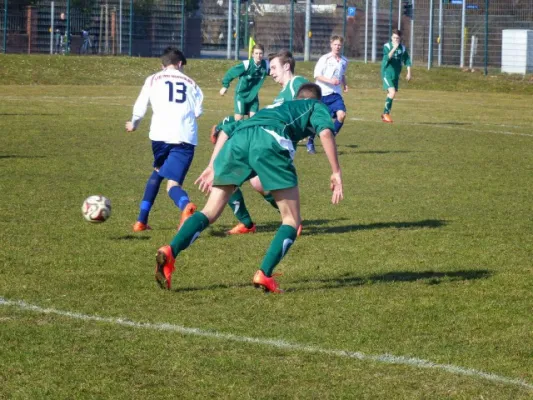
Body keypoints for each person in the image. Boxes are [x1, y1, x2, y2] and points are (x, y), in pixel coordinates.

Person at [154, 83, 344, 293]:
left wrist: (212, 164)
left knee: (209, 211)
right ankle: (264, 274)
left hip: (238, 142)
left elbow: (227, 130)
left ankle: (170, 251)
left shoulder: (277, 108)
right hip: (269, 140)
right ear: (316, 100)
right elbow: (326, 133)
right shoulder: (315, 106)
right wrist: (335, 171)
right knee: (291, 219)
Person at [212, 50, 309, 235]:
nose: (270, 72)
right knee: (257, 183)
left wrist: (310, 127)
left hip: (276, 148)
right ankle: (289, 218)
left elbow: (312, 102)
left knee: (227, 172)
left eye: (273, 67)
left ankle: (259, 222)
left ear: (287, 66)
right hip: (266, 144)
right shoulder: (282, 93)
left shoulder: (297, 83)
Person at [125, 47, 204, 232]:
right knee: (172, 185)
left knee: (157, 172)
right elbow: (198, 112)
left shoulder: (153, 79)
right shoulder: (192, 83)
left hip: (159, 136)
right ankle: (185, 205)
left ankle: (141, 221)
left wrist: (134, 124)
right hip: (184, 137)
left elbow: (140, 106)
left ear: (163, 65)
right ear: (179, 64)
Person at [306, 35, 349, 155]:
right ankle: (310, 141)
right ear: (331, 45)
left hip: (336, 95)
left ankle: (330, 138)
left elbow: (342, 74)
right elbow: (317, 75)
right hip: (322, 94)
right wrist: (331, 81)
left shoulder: (344, 61)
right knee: (317, 121)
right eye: (335, 44)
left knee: (342, 115)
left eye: (339, 45)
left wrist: (345, 84)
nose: (337, 47)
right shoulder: (324, 59)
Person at [219, 43, 269, 121]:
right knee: (239, 120)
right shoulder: (247, 64)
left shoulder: (266, 65)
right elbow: (231, 72)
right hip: (241, 96)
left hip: (253, 96)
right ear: (252, 54)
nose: (258, 55)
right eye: (256, 53)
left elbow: (276, 71)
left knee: (254, 120)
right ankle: (227, 124)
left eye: (260, 53)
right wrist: (225, 86)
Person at [381, 29, 412, 123]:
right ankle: (386, 114)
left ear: (400, 38)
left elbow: (407, 60)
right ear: (391, 38)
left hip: (396, 75)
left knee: (390, 94)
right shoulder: (387, 46)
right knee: (392, 92)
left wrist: (409, 72)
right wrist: (394, 48)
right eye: (394, 38)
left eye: (397, 38)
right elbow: (387, 57)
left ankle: (385, 115)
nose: (395, 40)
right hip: (386, 73)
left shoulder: (402, 48)